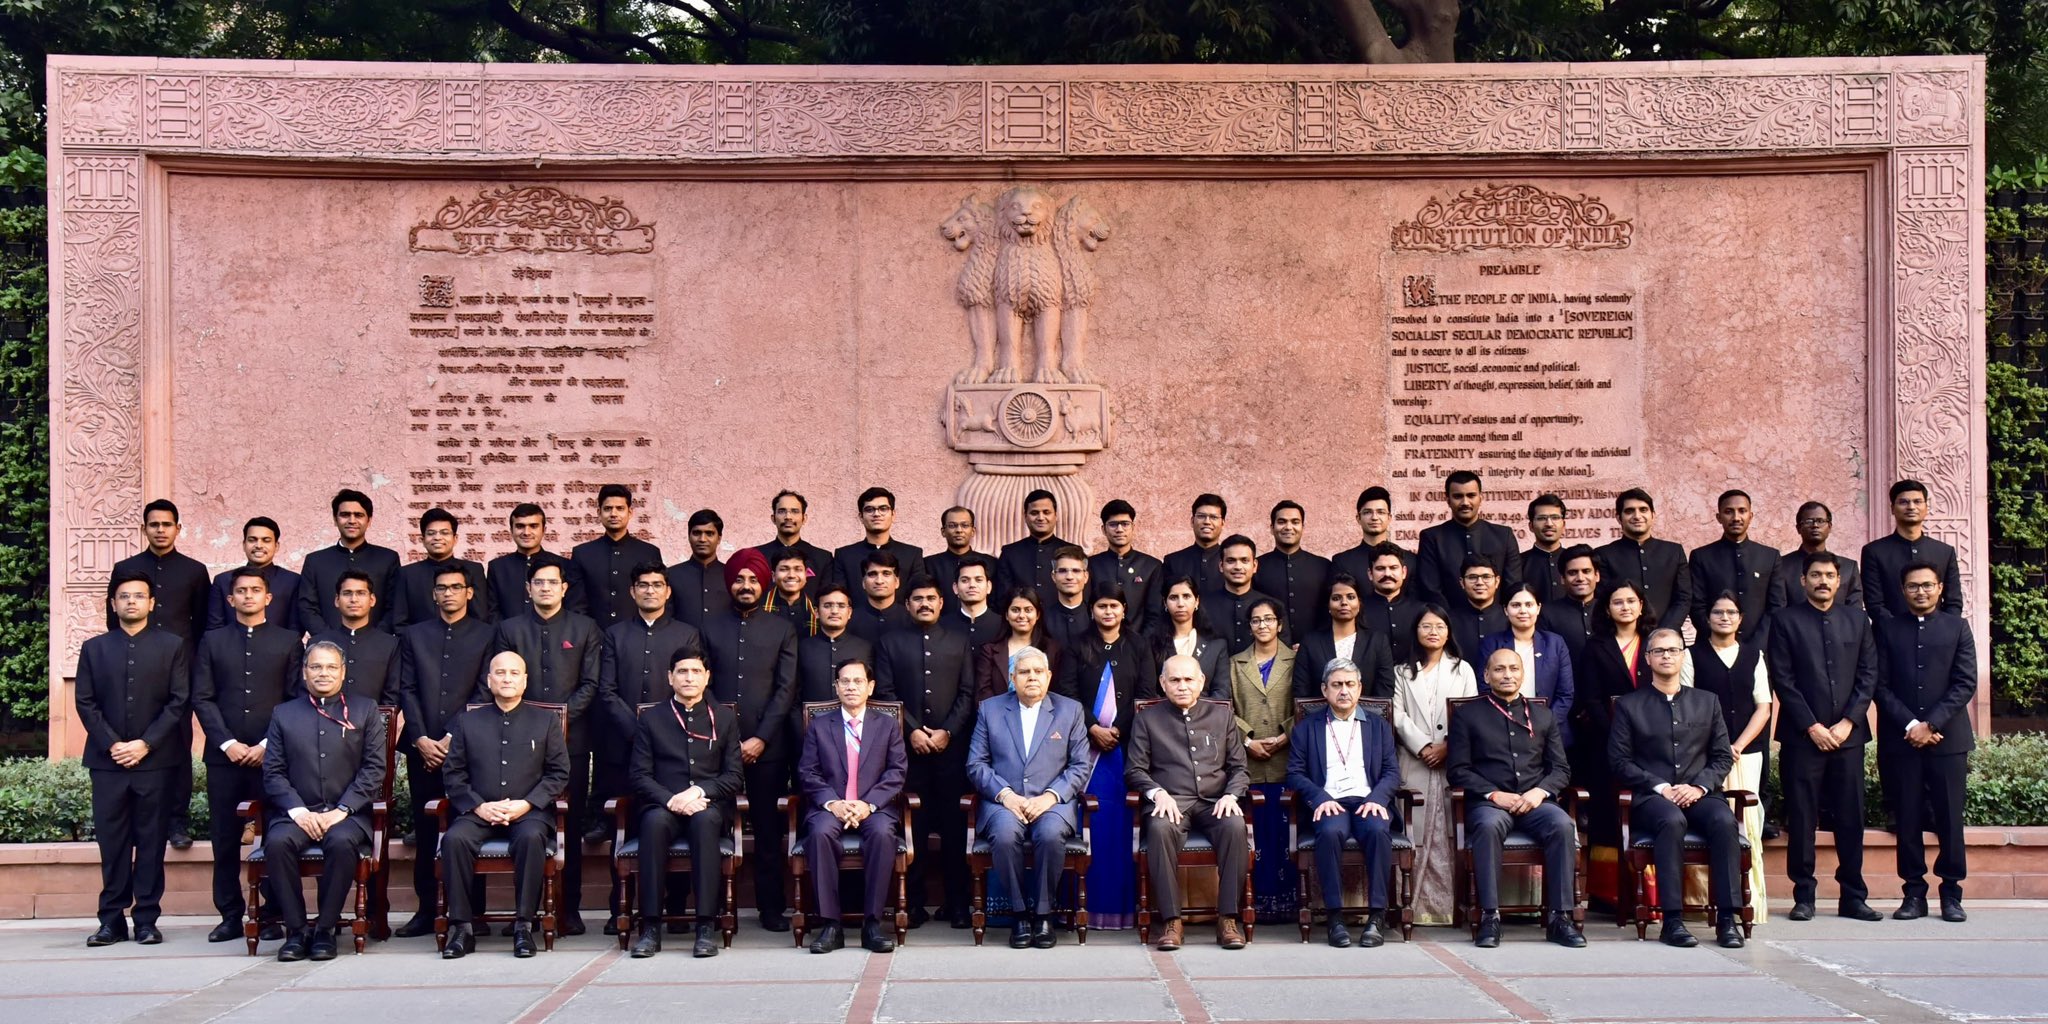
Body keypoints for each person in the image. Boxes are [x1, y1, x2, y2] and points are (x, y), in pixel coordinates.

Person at [486, 556, 603, 933]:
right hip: (518, 744)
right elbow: (507, 681)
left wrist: (559, 721)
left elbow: (590, 683)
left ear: (564, 588)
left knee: (568, 820)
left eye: (553, 582)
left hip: (573, 740)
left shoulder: (584, 628)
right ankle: (527, 910)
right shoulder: (509, 629)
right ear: (528, 588)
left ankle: (569, 909)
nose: (546, 588)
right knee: (526, 822)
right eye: (539, 582)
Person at [1609, 628, 1745, 948]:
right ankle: (1672, 921)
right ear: (1648, 659)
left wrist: (1699, 786)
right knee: (1671, 821)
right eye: (1659, 651)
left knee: (1724, 820)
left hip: (1700, 793)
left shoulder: (1707, 702)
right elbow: (1619, 760)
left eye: (1673, 650)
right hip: (1653, 798)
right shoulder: (1630, 705)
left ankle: (1727, 919)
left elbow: (1722, 756)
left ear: (1683, 656)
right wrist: (1660, 787)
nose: (1666, 656)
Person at [76, 571, 189, 948]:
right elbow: (86, 703)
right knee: (113, 843)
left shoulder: (172, 646)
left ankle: (146, 920)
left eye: (139, 596)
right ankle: (110, 921)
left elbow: (178, 702)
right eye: (124, 596)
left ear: (151, 603)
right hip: (107, 764)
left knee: (152, 842)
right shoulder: (94, 648)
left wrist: (144, 744)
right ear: (113, 603)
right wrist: (113, 744)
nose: (131, 602)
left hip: (155, 762)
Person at [192, 568, 304, 943]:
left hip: (272, 757)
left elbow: (293, 700)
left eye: (256, 590)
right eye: (241, 591)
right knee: (224, 837)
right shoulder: (212, 641)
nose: (249, 596)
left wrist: (265, 745)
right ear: (230, 599)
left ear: (268, 599)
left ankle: (272, 913)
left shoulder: (289, 641)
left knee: (275, 832)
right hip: (224, 757)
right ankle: (228, 914)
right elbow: (202, 697)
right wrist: (227, 743)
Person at [258, 641, 388, 961]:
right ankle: (297, 931)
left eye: (331, 667)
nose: (323, 673)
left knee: (342, 844)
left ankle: (325, 930)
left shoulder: (365, 709)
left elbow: (374, 769)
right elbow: (273, 772)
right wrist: (299, 811)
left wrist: (341, 810)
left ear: (343, 672)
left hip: (347, 815)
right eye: (316, 667)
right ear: (304, 673)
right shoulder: (284, 714)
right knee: (276, 843)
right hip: (297, 814)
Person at [1769, 552, 1882, 922]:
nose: (1823, 581)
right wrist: (1812, 727)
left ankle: (1853, 895)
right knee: (1802, 818)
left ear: (1840, 581)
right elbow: (1782, 679)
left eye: (1830, 575)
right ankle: (1804, 896)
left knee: (1851, 817)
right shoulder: (1785, 621)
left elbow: (1868, 675)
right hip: (1803, 739)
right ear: (1803, 580)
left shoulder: (1857, 620)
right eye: (1815, 575)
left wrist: (1849, 722)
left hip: (1848, 737)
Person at [438, 651, 571, 960]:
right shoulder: (468, 722)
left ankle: (523, 926)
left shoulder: (545, 721)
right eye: (500, 673)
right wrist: (479, 807)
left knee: (530, 839)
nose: (507, 678)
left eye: (514, 673)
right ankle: (461, 928)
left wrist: (527, 804)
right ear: (489, 680)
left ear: (525, 680)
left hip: (528, 813)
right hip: (479, 811)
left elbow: (559, 773)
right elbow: (453, 774)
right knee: (454, 840)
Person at [1447, 648, 1583, 949]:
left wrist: (1539, 792)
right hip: (1490, 802)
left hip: (1535, 802)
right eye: (1499, 670)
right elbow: (1457, 771)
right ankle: (1490, 917)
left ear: (1523, 674)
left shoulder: (1543, 715)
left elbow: (1561, 768)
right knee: (1488, 826)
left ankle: (1560, 918)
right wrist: (1496, 794)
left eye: (1513, 669)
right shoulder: (1468, 715)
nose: (1507, 675)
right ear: (1486, 675)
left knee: (1562, 824)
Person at [597, 561, 704, 925]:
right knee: (622, 823)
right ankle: (620, 908)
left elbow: (692, 691)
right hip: (621, 746)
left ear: (667, 591)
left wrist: (661, 733)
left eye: (657, 585)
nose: (650, 591)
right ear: (632, 591)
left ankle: (674, 904)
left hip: (673, 750)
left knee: (673, 817)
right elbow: (606, 690)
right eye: (642, 585)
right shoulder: (614, 634)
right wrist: (639, 729)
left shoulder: (687, 634)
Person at [393, 564, 495, 938]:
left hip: (469, 747)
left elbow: (485, 689)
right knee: (425, 830)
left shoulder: (488, 634)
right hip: (423, 750)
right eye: (442, 588)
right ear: (433, 594)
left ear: (470, 592)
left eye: (456, 587)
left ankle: (475, 912)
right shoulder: (413, 635)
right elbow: (406, 688)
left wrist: (452, 737)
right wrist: (420, 738)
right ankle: (425, 910)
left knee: (471, 825)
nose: (449, 593)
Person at [967, 646, 1093, 949]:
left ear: (1049, 676)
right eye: (1024, 672)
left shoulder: (1070, 710)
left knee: (1050, 835)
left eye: (1038, 671)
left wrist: (1050, 797)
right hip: (1003, 802)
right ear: (1012, 677)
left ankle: (1044, 914)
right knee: (1005, 835)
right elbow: (975, 764)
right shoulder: (991, 709)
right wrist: (1006, 795)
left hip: (1052, 803)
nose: (1032, 677)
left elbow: (1080, 765)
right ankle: (1020, 913)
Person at [701, 547, 800, 932]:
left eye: (753, 580)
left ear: (764, 584)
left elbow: (785, 688)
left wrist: (760, 738)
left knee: (767, 828)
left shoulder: (782, 628)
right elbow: (701, 684)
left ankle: (770, 909)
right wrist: (726, 736)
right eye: (739, 579)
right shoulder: (709, 627)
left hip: (768, 748)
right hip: (714, 746)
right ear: (730, 584)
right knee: (712, 824)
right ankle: (711, 910)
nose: (746, 585)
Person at [1874, 562, 1976, 923]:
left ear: (1939, 589)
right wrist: (1912, 724)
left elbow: (1965, 682)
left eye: (1928, 585)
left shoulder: (1956, 627)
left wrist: (1931, 723)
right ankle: (1913, 894)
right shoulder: (1887, 629)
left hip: (1948, 741)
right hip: (1901, 741)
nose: (1921, 591)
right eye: (1914, 586)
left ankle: (1951, 894)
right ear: (1903, 590)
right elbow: (1879, 685)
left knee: (1949, 819)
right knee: (1907, 818)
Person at [1128, 654, 1252, 950]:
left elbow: (1239, 768)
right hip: (1171, 801)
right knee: (1158, 829)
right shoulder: (1147, 719)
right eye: (1174, 680)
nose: (1182, 686)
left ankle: (1228, 919)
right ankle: (1172, 921)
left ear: (1201, 682)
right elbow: (1134, 770)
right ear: (1163, 683)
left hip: (1215, 801)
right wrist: (1156, 792)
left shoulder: (1221, 716)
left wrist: (1231, 795)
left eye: (1188, 679)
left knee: (1235, 826)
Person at [626, 645, 743, 959]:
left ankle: (705, 925)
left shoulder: (724, 717)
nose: (689, 678)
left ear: (707, 677)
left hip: (708, 804)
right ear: (670, 677)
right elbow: (639, 775)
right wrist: (670, 800)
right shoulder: (652, 719)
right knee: (651, 823)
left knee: (705, 822)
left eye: (696, 672)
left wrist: (699, 792)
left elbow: (734, 776)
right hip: (663, 805)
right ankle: (651, 926)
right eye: (682, 671)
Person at [875, 575, 976, 929]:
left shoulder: (960, 641)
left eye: (931, 598)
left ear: (941, 602)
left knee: (954, 828)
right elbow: (885, 692)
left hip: (953, 752)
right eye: (917, 599)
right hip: (907, 752)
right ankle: (913, 903)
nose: (924, 604)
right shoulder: (890, 642)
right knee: (912, 826)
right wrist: (913, 730)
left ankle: (958, 904)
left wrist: (947, 731)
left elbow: (968, 693)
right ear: (907, 604)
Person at [1055, 581, 1155, 930]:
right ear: (1092, 609)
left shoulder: (1139, 645)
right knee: (1089, 824)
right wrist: (1092, 726)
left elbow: (1146, 694)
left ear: (1124, 610)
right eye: (1101, 606)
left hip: (1126, 750)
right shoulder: (1076, 646)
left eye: (1115, 606)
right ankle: (1081, 908)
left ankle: (1123, 911)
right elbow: (1065, 694)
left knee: (1122, 828)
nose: (1108, 612)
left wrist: (1118, 730)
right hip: (1085, 749)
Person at [111, 499, 210, 850]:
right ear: (144, 529)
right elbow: (115, 624)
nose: (160, 530)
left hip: (180, 674)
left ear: (177, 529)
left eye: (167, 524)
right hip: (135, 674)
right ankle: (138, 820)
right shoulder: (125, 569)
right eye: (153, 524)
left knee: (179, 747)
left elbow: (202, 626)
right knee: (137, 740)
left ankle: (177, 822)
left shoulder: (195, 571)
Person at [1286, 657, 1401, 947]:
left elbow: (1391, 772)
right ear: (1324, 690)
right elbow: (1295, 773)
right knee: (1330, 831)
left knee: (1377, 830)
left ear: (1360, 688)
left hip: (1367, 801)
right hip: (1330, 802)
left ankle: (1376, 917)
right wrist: (1319, 797)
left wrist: (1378, 798)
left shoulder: (1378, 726)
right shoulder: (1307, 728)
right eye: (1337, 685)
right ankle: (1334, 917)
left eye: (1350, 684)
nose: (1344, 691)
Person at [795, 658, 908, 954]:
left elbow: (896, 771)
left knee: (884, 834)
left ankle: (872, 924)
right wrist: (833, 803)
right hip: (831, 806)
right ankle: (830, 925)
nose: (851, 687)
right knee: (818, 833)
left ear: (870, 687)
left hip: (873, 806)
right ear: (836, 686)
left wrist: (868, 804)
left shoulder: (886, 725)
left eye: (858, 681)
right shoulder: (820, 726)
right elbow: (808, 772)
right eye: (845, 681)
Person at [1681, 592, 1773, 926]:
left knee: (1747, 824)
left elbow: (1763, 706)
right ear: (1707, 618)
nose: (1724, 617)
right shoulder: (1692, 656)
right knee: (1708, 821)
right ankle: (1702, 901)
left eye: (1731, 612)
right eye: (1717, 612)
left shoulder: (1754, 655)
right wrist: (1719, 749)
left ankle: (1750, 901)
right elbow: (1686, 703)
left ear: (1740, 618)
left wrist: (1736, 745)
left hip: (1746, 753)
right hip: (1704, 757)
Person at [1390, 605, 1475, 925]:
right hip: (1414, 761)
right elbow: (1396, 715)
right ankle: (1407, 904)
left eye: (1440, 625)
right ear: (1416, 631)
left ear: (1449, 631)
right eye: (1426, 626)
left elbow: (1469, 713)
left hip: (1451, 761)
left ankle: (1446, 910)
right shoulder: (1402, 671)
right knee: (1414, 830)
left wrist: (1447, 748)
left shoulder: (1462, 669)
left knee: (1449, 834)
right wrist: (1424, 746)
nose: (1433, 631)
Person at [1227, 596, 1297, 923]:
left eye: (1269, 619)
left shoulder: (1295, 659)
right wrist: (1247, 739)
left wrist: (1286, 735)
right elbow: (1226, 707)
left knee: (1286, 834)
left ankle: (1289, 906)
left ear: (1279, 624)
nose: (1263, 625)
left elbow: (1307, 701)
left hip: (1287, 759)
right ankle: (1256, 905)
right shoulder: (1235, 663)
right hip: (1250, 762)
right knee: (1257, 836)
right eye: (1256, 620)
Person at [1572, 580, 1653, 846]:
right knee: (1607, 815)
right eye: (1618, 602)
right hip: (1606, 742)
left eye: (1631, 601)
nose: (1625, 607)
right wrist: (1618, 735)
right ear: (1607, 609)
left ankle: (1652, 887)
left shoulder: (1656, 642)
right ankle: (1606, 888)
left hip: (1653, 742)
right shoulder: (1596, 647)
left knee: (1650, 812)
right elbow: (1591, 699)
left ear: (1641, 606)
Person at [1480, 583, 1576, 741]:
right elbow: (1484, 688)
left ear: (1538, 608)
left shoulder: (1555, 643)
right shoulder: (1491, 643)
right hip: (1501, 731)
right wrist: (1509, 724)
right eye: (1516, 605)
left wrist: (1544, 726)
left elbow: (1565, 694)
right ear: (1506, 609)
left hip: (1550, 733)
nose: (1523, 610)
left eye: (1529, 605)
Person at [297, 489, 401, 635]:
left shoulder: (387, 559)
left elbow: (395, 606)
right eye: (345, 515)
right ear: (335, 519)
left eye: (358, 515)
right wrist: (328, 639)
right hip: (326, 650)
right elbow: (307, 607)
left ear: (369, 520)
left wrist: (377, 639)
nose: (352, 520)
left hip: (377, 650)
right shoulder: (315, 561)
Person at [1862, 479, 1965, 621]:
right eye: (1903, 502)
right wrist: (1895, 630)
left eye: (1917, 502)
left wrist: (1944, 630)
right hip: (1890, 637)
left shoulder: (1945, 552)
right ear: (1892, 508)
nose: (1911, 507)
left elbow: (1953, 602)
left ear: (1926, 508)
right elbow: (1874, 604)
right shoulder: (1874, 552)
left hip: (1938, 637)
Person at [1416, 471, 1522, 605]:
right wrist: (1448, 621)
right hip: (1449, 621)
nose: (1465, 502)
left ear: (1480, 498)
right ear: (1448, 500)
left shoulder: (1503, 535)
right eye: (1458, 496)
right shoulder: (1432, 538)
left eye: (1471, 495)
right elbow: (1430, 589)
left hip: (1498, 622)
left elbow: (1512, 586)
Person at [570, 484, 664, 630]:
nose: (613, 514)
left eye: (620, 508)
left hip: (638, 639)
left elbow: (657, 600)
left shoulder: (648, 553)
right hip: (594, 642)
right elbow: (576, 606)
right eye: (608, 509)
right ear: (599, 513)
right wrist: (591, 637)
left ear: (630, 512)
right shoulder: (582, 554)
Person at [1595, 489, 1691, 632]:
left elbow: (1684, 598)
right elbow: (1603, 600)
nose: (1637, 516)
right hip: (1622, 639)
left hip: (1668, 639)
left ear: (1653, 515)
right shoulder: (1603, 554)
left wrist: (1665, 631)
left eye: (1643, 510)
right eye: (1629, 511)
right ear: (1618, 517)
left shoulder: (1673, 552)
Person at [1688, 490, 1778, 641]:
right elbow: (1696, 605)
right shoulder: (1701, 556)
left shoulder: (1770, 556)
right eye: (1729, 512)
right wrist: (1717, 639)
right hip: (1712, 646)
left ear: (1751, 516)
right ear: (1719, 517)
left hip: (1760, 648)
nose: (1736, 518)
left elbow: (1776, 606)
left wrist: (1758, 645)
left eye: (1742, 511)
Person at [1293, 573, 1397, 701]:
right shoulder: (1310, 642)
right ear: (1328, 606)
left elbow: (1385, 689)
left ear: (1359, 603)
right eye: (1336, 598)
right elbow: (1301, 691)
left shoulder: (1377, 641)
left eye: (1351, 597)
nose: (1344, 603)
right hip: (1319, 718)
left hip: (1367, 718)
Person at [310, 571, 401, 704]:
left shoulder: (390, 645)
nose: (354, 599)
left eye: (361, 593)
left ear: (372, 600)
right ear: (337, 600)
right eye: (347, 593)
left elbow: (393, 695)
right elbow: (308, 689)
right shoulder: (318, 642)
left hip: (373, 723)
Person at [393, 507, 491, 628]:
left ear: (455, 539)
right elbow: (400, 622)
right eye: (431, 533)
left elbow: (480, 615)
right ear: (422, 540)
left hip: (466, 643)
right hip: (418, 644)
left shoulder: (473, 569)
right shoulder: (406, 574)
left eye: (445, 533)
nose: (438, 538)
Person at [205, 515, 302, 634]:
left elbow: (295, 629)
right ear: (244, 544)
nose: (259, 545)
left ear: (276, 546)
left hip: (279, 650)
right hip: (229, 651)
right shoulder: (223, 581)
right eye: (252, 540)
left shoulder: (292, 581)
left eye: (266, 540)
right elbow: (215, 628)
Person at [1255, 500, 1332, 642]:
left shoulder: (1323, 566)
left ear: (1303, 527)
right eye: (1282, 522)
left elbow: (1329, 612)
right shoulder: (1257, 567)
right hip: (1269, 650)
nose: (1288, 527)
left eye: (1295, 522)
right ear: (1272, 528)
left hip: (1316, 649)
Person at [1770, 501, 1864, 613]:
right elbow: (1777, 611)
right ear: (1798, 528)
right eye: (1809, 521)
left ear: (1829, 527)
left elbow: (1855, 615)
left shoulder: (1848, 568)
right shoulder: (1781, 566)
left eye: (1820, 521)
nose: (1815, 525)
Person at [1090, 499, 1165, 637]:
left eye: (1125, 524)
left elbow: (1154, 614)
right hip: (1097, 644)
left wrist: (1141, 645)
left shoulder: (1151, 566)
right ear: (1103, 529)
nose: (1119, 530)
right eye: (1113, 524)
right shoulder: (1092, 565)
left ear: (1133, 527)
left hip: (1139, 645)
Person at [1149, 577, 1230, 700]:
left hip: (1207, 715)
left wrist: (1197, 713)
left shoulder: (1216, 645)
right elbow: (1149, 690)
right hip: (1164, 715)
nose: (1180, 604)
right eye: (1173, 597)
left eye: (1186, 596)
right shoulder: (1152, 644)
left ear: (1197, 601)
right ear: (1165, 603)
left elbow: (1221, 691)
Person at [797, 586, 873, 711]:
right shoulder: (802, 647)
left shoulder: (865, 648)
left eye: (841, 606)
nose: (834, 611)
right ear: (816, 612)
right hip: (810, 725)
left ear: (849, 613)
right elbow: (793, 696)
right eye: (827, 606)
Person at [832, 486, 926, 587]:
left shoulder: (912, 555)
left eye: (883, 509)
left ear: (893, 515)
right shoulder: (844, 555)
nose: (876, 514)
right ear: (861, 517)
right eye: (869, 509)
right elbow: (839, 597)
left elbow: (918, 594)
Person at [1204, 534, 1278, 654]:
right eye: (1231, 561)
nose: (1238, 567)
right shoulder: (1203, 606)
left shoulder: (1273, 606)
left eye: (1244, 560)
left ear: (1254, 566)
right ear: (1221, 566)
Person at [486, 504, 560, 622]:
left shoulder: (562, 564)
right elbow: (492, 611)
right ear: (511, 530)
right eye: (520, 526)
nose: (526, 532)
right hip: (506, 638)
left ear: (544, 530)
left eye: (533, 526)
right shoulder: (497, 567)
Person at [974, 587, 1049, 702]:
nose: (1022, 615)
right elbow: (983, 692)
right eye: (1015, 610)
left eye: (1028, 610)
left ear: (1038, 615)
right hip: (998, 717)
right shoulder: (989, 651)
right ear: (1006, 615)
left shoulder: (1051, 649)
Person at [755, 490, 833, 600]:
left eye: (795, 511)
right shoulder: (756, 556)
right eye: (782, 511)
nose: (788, 517)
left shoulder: (822, 558)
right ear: (773, 518)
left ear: (804, 518)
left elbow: (826, 599)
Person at [1360, 543, 1427, 666]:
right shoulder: (1358, 610)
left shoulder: (1422, 610)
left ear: (1404, 572)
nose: (1387, 574)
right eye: (1380, 568)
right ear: (1370, 574)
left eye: (1393, 568)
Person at [1539, 545, 1606, 668]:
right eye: (1572, 573)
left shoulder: (1609, 610)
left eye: (1586, 571)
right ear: (1563, 579)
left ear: (1597, 576)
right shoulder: (1547, 613)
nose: (1580, 578)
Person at [1332, 486, 1416, 583]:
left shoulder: (1410, 560)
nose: (1374, 517)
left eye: (1381, 512)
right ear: (1358, 518)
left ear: (1389, 518)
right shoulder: (1342, 562)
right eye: (1367, 512)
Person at [998, 489, 1072, 598]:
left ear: (1055, 516)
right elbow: (1002, 597)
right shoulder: (1009, 553)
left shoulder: (1072, 552)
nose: (1040, 518)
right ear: (1025, 516)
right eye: (1034, 513)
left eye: (1046, 512)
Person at [666, 509, 732, 629]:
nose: (702, 539)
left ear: (719, 538)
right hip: (681, 646)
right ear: (689, 536)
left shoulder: (732, 575)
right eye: (696, 533)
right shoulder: (671, 575)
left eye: (709, 533)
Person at [1162, 493, 1229, 598]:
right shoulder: (1173, 561)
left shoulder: (1231, 561)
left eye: (1214, 517)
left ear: (1223, 523)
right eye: (1201, 516)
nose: (1207, 522)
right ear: (1192, 521)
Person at [1445, 554, 1508, 660]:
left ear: (1497, 581)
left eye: (1486, 577)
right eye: (1472, 577)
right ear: (1462, 583)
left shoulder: (1509, 617)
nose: (1479, 582)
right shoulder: (1448, 620)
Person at [848, 549, 912, 643]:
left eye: (886, 574)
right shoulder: (848, 620)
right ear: (863, 583)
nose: (879, 581)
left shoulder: (911, 619)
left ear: (897, 582)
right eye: (872, 574)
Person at [943, 552, 1006, 648]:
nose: (972, 585)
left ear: (989, 586)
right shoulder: (942, 626)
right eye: (965, 580)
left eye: (978, 580)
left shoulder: (1003, 625)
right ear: (955, 588)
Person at [1041, 547, 1094, 656]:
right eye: (1062, 571)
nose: (1069, 577)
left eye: (1076, 571)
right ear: (1053, 576)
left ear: (1085, 576)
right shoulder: (1042, 618)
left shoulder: (1096, 616)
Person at [1522, 493, 1570, 604]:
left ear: (1563, 525)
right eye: (1542, 518)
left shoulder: (1574, 562)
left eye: (1555, 518)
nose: (1549, 524)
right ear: (1531, 526)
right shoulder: (1519, 563)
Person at [763, 549, 819, 636]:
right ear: (773, 576)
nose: (791, 575)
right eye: (784, 569)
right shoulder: (759, 608)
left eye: (798, 569)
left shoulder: (817, 611)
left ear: (806, 575)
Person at [926, 506, 979, 597]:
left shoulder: (990, 563)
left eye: (965, 525)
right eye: (952, 526)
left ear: (973, 531)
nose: (959, 530)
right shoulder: (928, 565)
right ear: (943, 531)